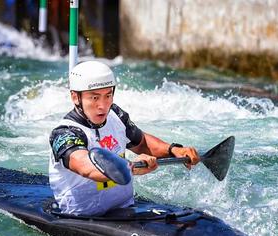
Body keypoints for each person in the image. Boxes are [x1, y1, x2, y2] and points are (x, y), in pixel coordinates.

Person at [48, 60, 200, 216]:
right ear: (75, 97)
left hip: (125, 209)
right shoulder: (64, 133)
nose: (103, 105)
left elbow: (142, 143)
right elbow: (87, 168)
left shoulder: (115, 114)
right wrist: (130, 167)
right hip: (82, 217)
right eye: (94, 98)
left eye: (108, 95)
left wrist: (174, 150)